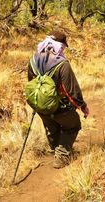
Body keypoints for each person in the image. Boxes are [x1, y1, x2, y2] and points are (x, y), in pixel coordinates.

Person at [27, 30, 89, 169]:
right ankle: (61, 156)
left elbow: (30, 83)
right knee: (72, 126)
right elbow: (72, 90)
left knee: (51, 126)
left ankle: (54, 149)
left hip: (40, 105)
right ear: (59, 46)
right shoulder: (62, 64)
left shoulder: (33, 60)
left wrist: (37, 103)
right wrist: (82, 106)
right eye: (63, 46)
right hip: (61, 107)